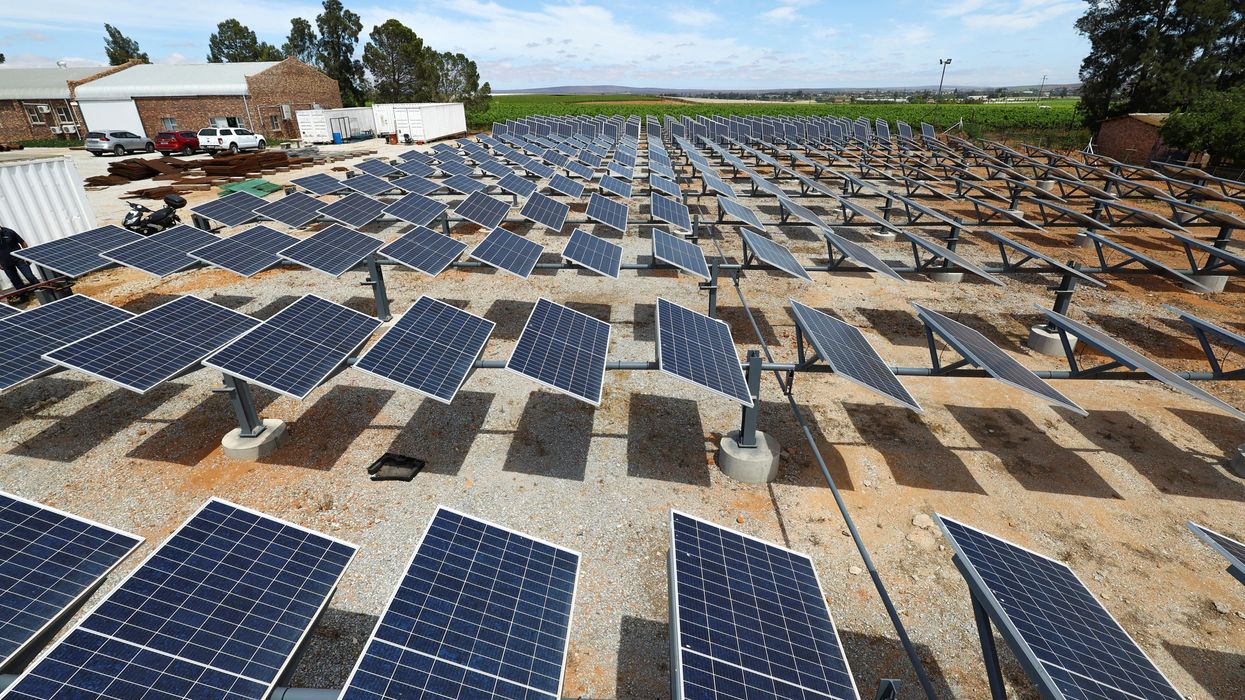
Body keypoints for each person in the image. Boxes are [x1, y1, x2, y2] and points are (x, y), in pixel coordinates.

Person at [0, 225, 39, 303]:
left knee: (30, 276)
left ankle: (43, 291)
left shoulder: (9, 232)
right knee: (16, 281)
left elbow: (22, 242)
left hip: (19, 260)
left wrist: (27, 256)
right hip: (6, 264)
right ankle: (24, 297)